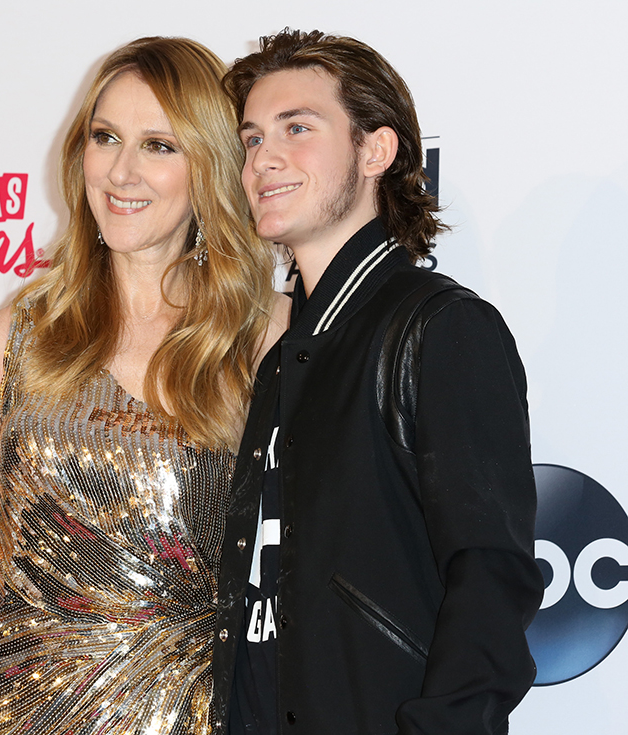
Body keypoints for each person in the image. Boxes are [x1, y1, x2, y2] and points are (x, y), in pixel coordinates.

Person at [0, 37, 286, 735]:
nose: (120, 171)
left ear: (210, 166)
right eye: (105, 137)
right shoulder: (9, 341)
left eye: (158, 146)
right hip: (4, 711)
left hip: (187, 716)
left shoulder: (266, 341)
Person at [211, 29, 544, 735]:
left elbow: (490, 576)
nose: (263, 158)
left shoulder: (441, 328)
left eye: (297, 128)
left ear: (375, 150)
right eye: (251, 138)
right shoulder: (283, 354)